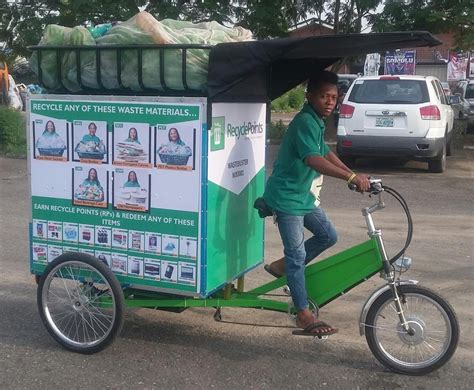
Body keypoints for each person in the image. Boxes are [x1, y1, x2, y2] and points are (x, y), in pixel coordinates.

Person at [262, 70, 370, 337]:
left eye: (333, 97)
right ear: (310, 96)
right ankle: (302, 313)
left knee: (328, 235)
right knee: (297, 255)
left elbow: (323, 151)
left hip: (303, 196)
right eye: (323, 96)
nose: (329, 101)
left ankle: (281, 267)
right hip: (287, 198)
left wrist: (352, 176)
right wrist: (351, 176)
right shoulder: (304, 122)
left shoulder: (315, 121)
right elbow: (312, 159)